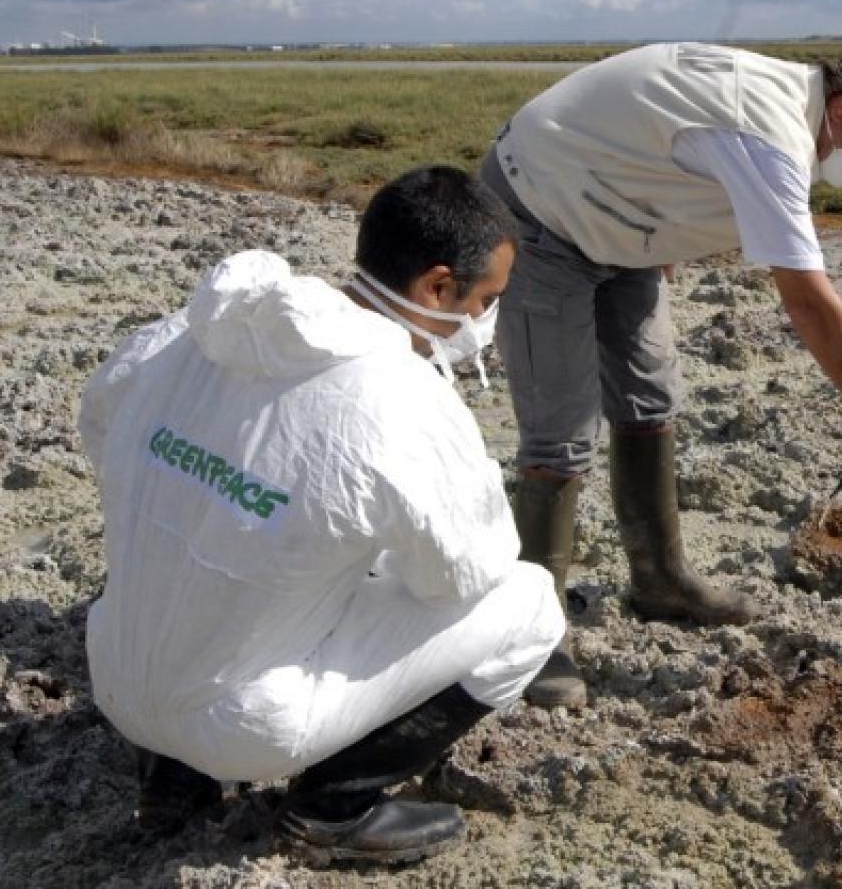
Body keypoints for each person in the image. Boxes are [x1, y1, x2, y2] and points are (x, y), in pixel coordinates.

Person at [78, 167, 563, 864]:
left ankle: (169, 778)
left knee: (193, 533)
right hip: (245, 726)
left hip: (117, 680)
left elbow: (102, 427)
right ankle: (333, 808)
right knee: (529, 605)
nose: (486, 323)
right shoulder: (397, 397)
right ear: (436, 287)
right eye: (486, 300)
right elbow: (461, 575)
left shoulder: (190, 334)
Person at [478, 42, 842, 710]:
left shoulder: (788, 104)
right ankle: (528, 637)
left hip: (617, 211)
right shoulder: (771, 135)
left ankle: (661, 579)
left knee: (651, 395)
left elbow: (669, 143)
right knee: (562, 433)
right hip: (539, 207)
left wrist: (663, 233)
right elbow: (811, 304)